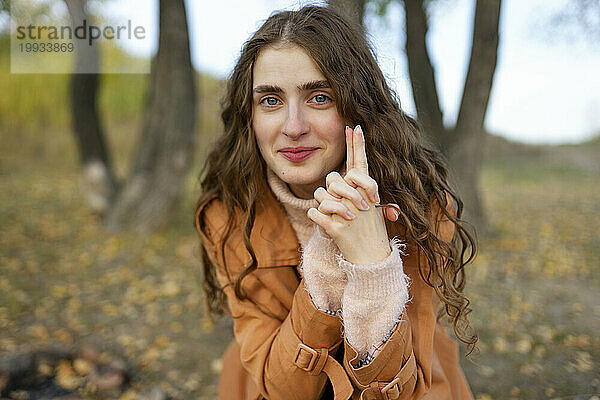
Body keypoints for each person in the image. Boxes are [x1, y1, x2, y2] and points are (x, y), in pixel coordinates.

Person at [194, 6, 477, 400]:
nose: (293, 127)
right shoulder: (227, 215)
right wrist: (326, 264)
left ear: (355, 106)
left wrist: (375, 267)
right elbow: (283, 388)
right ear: (250, 115)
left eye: (320, 97)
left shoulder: (418, 206)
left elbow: (402, 391)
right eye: (271, 101)